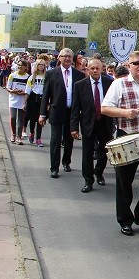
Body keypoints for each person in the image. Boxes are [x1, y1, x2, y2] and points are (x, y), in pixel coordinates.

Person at [101, 51, 139, 236]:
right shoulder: (119, 84)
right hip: (126, 137)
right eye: (136, 63)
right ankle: (125, 220)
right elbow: (105, 108)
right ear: (129, 66)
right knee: (124, 181)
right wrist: (125, 113)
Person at [39, 48, 85, 178]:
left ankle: (66, 162)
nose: (67, 58)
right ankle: (54, 167)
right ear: (59, 58)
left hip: (72, 112)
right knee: (55, 140)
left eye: (70, 56)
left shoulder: (79, 75)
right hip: (56, 111)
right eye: (65, 56)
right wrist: (42, 114)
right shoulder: (51, 73)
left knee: (69, 139)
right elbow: (46, 95)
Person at [71, 58, 113, 193]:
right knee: (87, 153)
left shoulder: (109, 83)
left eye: (97, 68)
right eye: (92, 68)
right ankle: (88, 180)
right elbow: (75, 108)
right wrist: (74, 127)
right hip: (88, 122)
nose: (95, 70)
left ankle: (99, 172)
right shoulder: (80, 85)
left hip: (105, 121)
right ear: (87, 69)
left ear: (102, 69)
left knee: (104, 151)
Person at [6, 60, 30, 144]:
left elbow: (29, 89)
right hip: (13, 99)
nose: (20, 67)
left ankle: (19, 137)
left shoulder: (28, 77)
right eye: (19, 65)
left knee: (20, 118)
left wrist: (24, 93)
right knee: (13, 117)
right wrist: (13, 91)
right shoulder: (12, 75)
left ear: (25, 67)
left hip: (22, 100)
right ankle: (13, 134)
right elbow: (8, 87)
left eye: (22, 65)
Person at [24, 59, 47, 147]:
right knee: (32, 118)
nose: (41, 66)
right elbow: (28, 90)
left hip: (42, 98)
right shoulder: (32, 77)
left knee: (40, 119)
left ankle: (38, 138)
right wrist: (24, 102)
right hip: (33, 97)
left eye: (43, 65)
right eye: (39, 65)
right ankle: (32, 133)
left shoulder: (46, 76)